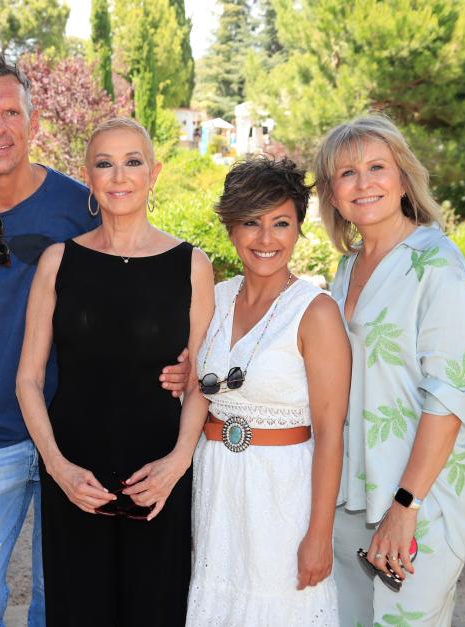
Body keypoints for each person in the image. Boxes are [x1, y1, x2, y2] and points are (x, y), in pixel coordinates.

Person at [0, 55, 192, 626]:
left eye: (10, 112)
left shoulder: (78, 203)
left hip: (77, 436)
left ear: (33, 121)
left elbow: (134, 289)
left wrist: (182, 365)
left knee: (58, 600)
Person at [16, 117, 214, 626]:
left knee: (155, 610)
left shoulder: (192, 264)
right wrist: (59, 470)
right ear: (88, 176)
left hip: (158, 479)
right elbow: (28, 380)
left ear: (155, 172)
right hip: (77, 478)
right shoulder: (58, 262)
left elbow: (200, 382)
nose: (119, 176)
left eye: (133, 162)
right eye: (105, 163)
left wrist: (176, 464)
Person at [314, 115, 465, 626]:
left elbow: (451, 395)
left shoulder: (437, 266)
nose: (363, 183)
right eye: (346, 174)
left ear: (403, 176)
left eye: (376, 167)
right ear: (332, 192)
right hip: (349, 497)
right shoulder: (347, 268)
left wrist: (404, 506)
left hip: (416, 504)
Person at [186, 157, 350, 626]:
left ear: (299, 229)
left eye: (281, 223)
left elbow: (330, 435)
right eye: (251, 223)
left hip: (282, 495)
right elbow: (198, 383)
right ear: (231, 229)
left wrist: (319, 532)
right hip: (216, 485)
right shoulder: (214, 298)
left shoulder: (315, 312)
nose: (266, 239)